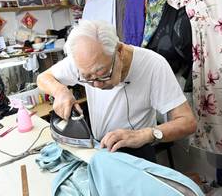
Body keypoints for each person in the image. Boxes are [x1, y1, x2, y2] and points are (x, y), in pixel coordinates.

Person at [37, 20, 197, 162]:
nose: (97, 85)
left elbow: (188, 122)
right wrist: (60, 91)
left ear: (119, 51)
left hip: (138, 151)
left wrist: (145, 134)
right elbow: (43, 78)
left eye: (102, 75)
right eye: (87, 78)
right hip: (100, 148)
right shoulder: (83, 60)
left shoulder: (154, 65)